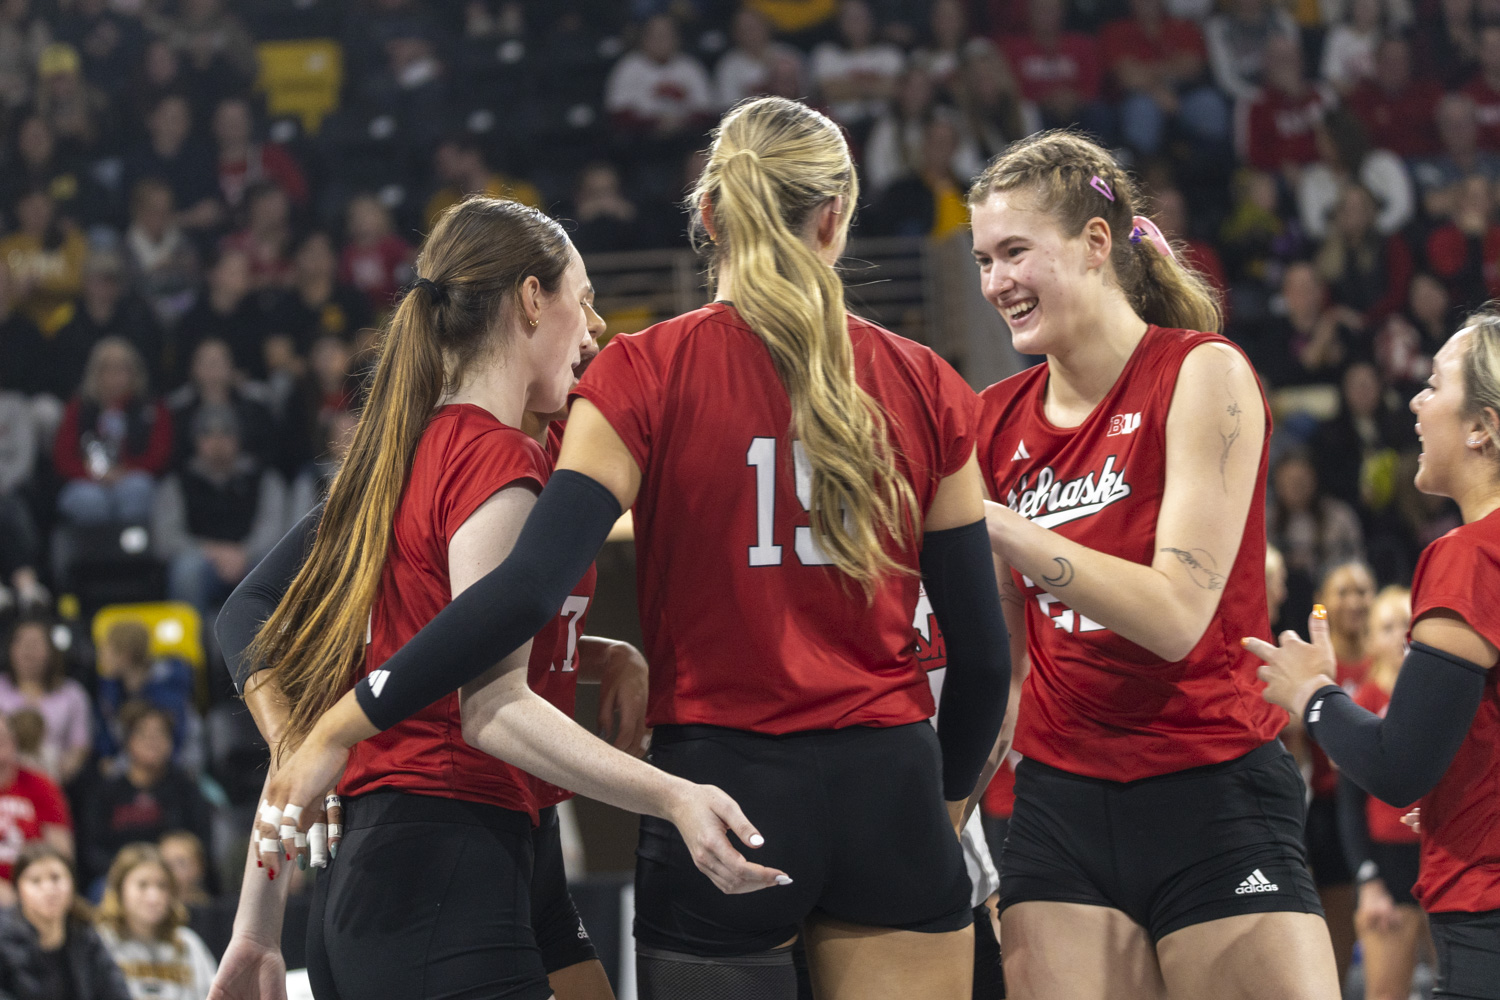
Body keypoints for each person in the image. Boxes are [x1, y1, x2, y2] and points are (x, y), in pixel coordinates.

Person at [255, 98, 1011, 1000]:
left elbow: (526, 589)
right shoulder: (930, 382)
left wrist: (344, 722)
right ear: (835, 218)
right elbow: (984, 655)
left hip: (721, 788)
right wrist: (944, 804)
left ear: (706, 220)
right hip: (890, 783)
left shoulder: (643, 371)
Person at [209, 196, 786, 1000]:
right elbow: (492, 704)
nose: (594, 329)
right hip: (443, 862)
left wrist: (258, 928)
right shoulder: (494, 461)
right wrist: (673, 797)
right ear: (528, 300)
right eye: (581, 300)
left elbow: (433, 656)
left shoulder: (412, 453)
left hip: (438, 867)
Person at [969, 131, 1339, 1000]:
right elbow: (1012, 663)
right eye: (985, 260)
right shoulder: (990, 420)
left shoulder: (1203, 373)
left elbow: (1177, 618)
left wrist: (1009, 532)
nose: (996, 284)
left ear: (1098, 243)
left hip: (1213, 789)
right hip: (1060, 806)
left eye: (1016, 252)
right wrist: (949, 811)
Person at [1247, 307, 1500, 1000]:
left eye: (1433, 384)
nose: (1414, 402)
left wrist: (1314, 694)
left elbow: (1397, 764)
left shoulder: (1469, 557)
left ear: (1482, 426)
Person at [1334, 586, 1428, 1000]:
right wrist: (1369, 882)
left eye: (1408, 625)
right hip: (1389, 868)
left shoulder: (1443, 700)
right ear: (1370, 639)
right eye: (1387, 627)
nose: (1400, 637)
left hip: (1445, 859)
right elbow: (1348, 803)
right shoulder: (1362, 705)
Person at [0, 842, 131, 1000]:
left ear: (73, 884)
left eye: (56, 878)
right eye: (35, 881)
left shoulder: (86, 936)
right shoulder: (3, 939)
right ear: (18, 890)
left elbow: (116, 992)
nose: (48, 889)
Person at [96, 843, 218, 1000]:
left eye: (162, 886)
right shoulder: (101, 943)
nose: (154, 897)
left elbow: (213, 993)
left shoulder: (187, 943)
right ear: (120, 890)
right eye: (142, 885)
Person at [0, 617, 92, 786]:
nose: (28, 650)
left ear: (51, 650)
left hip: (54, 778)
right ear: (10, 649)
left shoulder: (72, 694)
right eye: (21, 642)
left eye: (36, 643)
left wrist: (55, 775)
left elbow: (79, 744)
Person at [0, 712, 74, 907]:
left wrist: (31, 888)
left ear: (14, 743)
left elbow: (61, 854)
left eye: (2, 741)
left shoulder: (42, 786)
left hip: (35, 892)